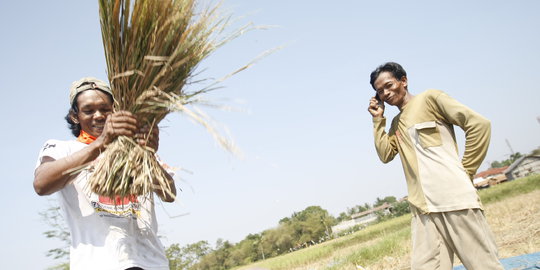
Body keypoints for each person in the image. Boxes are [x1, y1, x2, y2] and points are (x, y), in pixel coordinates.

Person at [367, 62, 503, 269]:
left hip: (455, 200)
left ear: (403, 81)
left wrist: (466, 171)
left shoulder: (430, 99)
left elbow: (479, 125)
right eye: (379, 91)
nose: (385, 93)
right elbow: (385, 154)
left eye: (389, 85)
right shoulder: (395, 124)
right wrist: (378, 121)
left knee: (483, 265)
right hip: (423, 210)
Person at [34, 77, 176, 270]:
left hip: (151, 263)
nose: (99, 115)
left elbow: (169, 194)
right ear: (75, 116)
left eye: (105, 109)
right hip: (99, 264)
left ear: (115, 111)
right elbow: (42, 184)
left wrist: (148, 155)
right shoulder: (62, 149)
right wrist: (101, 143)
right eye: (88, 110)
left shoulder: (136, 149)